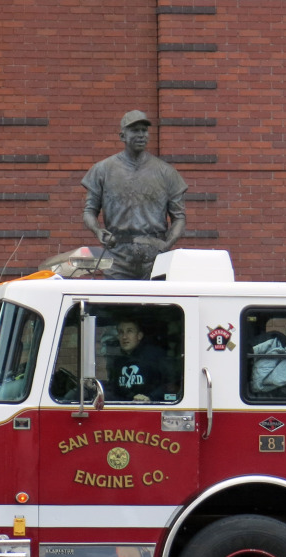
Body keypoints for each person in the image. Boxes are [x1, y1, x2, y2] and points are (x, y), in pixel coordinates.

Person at [82, 110, 188, 280]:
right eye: (135, 130)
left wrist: (167, 245)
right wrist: (97, 230)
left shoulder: (166, 172)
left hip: (154, 255)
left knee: (155, 305)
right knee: (115, 304)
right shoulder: (102, 170)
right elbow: (89, 210)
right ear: (122, 135)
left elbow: (179, 217)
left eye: (144, 131)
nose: (141, 135)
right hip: (117, 255)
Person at [109, 317, 176, 402]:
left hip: (150, 409)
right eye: (121, 332)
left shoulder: (155, 356)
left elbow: (170, 385)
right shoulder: (118, 362)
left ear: (139, 336)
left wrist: (151, 398)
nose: (124, 337)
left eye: (129, 331)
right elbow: (114, 391)